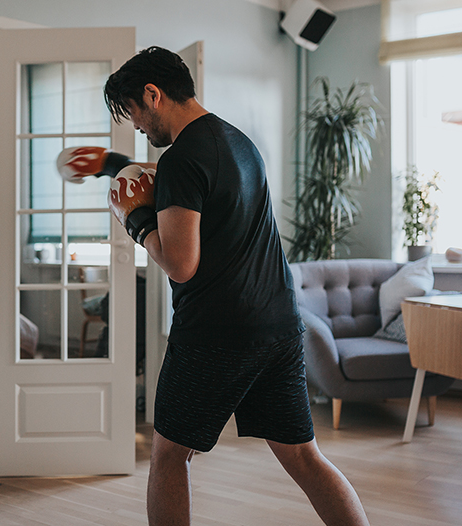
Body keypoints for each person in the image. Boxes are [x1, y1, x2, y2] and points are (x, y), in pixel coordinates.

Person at [103, 47, 370, 526]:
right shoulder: (237, 142)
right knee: (305, 458)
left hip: (216, 334)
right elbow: (204, 200)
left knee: (168, 457)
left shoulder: (184, 157)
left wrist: (136, 222)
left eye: (136, 115)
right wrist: (116, 164)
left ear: (152, 94)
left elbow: (182, 264)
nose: (139, 127)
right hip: (279, 326)